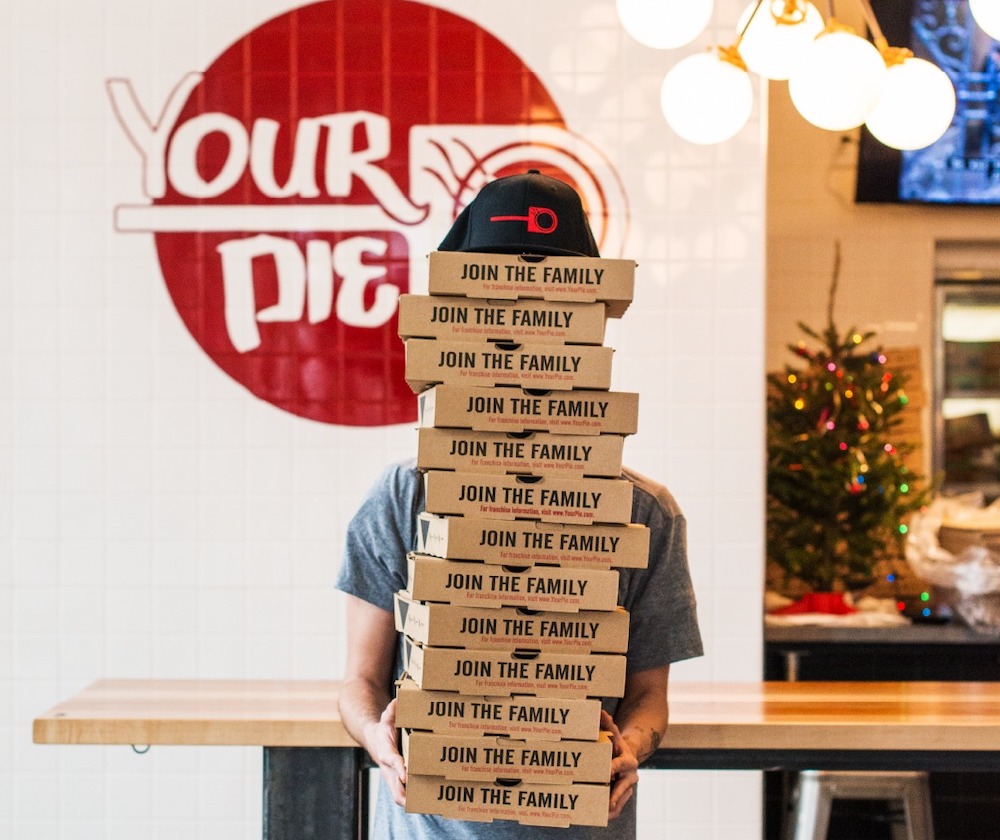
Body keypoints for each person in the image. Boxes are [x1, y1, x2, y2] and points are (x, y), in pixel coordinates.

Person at [335, 171, 703, 839]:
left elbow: (649, 696)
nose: (520, 315)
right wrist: (379, 739)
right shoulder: (404, 494)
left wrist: (633, 747)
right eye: (496, 293)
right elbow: (360, 681)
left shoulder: (645, 513)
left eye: (545, 295)